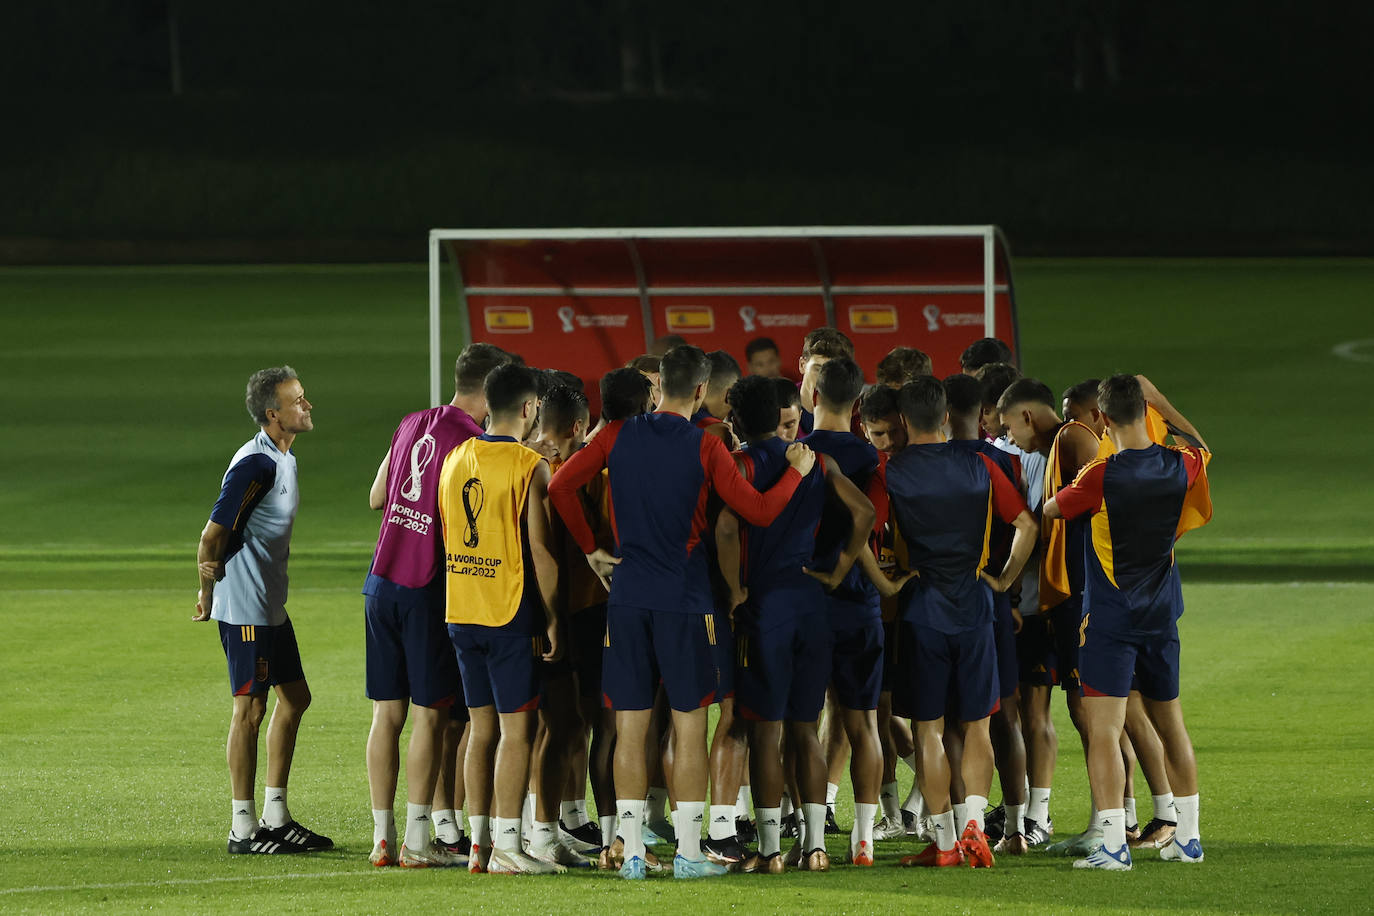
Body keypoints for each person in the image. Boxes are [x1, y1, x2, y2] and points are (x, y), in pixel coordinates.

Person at [548, 344, 816, 880]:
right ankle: (691, 853)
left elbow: (560, 484)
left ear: (657, 388)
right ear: (699, 390)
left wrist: (590, 549)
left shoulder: (615, 434)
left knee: (629, 728)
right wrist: (796, 474)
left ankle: (631, 854)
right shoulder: (705, 447)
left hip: (625, 600)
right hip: (687, 603)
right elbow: (757, 511)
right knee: (690, 727)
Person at [1045, 374, 1211, 870]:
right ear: (1147, 410)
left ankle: (1114, 844)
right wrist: (1164, 400)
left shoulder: (1101, 475)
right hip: (1162, 616)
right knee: (1172, 724)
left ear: (1104, 419)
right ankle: (1190, 837)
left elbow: (1053, 508)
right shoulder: (1181, 465)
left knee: (1104, 731)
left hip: (1111, 620)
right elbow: (1202, 447)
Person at [716, 376, 881, 871]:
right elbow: (866, 511)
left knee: (766, 733)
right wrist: (840, 568)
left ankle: (769, 851)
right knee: (806, 729)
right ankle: (814, 847)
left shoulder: (741, 464)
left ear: (738, 421)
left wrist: (734, 589)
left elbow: (727, 527)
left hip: (764, 609)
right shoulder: (817, 463)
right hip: (813, 605)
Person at [362, 343, 510, 868]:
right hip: (427, 588)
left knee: (386, 715)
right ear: (493, 389)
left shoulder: (411, 422)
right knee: (429, 717)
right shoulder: (474, 444)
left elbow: (378, 496)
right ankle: (418, 841)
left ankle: (382, 837)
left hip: (381, 582)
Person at [886, 376, 1037, 868]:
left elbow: (866, 527)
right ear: (946, 416)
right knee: (977, 725)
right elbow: (1027, 526)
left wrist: (887, 581)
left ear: (905, 422)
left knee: (928, 730)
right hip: (974, 607)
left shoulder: (891, 470)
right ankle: (975, 822)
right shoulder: (980, 466)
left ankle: (947, 843)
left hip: (922, 608)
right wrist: (1003, 579)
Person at [194, 366, 332, 855]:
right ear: (274, 414)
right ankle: (242, 828)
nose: (307, 405)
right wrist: (207, 593)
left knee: (295, 698)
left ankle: (276, 816)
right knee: (250, 710)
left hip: (270, 604)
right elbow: (213, 533)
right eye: (298, 400)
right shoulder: (257, 465)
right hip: (246, 606)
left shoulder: (283, 458)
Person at [438, 364, 565, 876]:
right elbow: (541, 550)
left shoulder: (454, 457)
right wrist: (554, 619)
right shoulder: (528, 464)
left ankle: (479, 845)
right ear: (531, 408)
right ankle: (510, 847)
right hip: (507, 610)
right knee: (519, 731)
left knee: (480, 726)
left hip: (461, 608)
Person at [998, 376, 1102, 855]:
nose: (1008, 436)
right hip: (1040, 606)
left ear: (1025, 415)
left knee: (1089, 708)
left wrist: (1005, 581)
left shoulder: (1070, 444)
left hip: (1068, 599)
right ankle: (1037, 819)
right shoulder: (1028, 457)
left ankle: (1116, 817)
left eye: (1008, 425)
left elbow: (1042, 525)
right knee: (1033, 709)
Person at [798, 357, 887, 866]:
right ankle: (865, 839)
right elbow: (875, 521)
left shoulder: (797, 453)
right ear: (857, 405)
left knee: (804, 725)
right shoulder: (872, 460)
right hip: (859, 604)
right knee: (864, 725)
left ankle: (811, 838)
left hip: (805, 603)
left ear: (812, 399)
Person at [944, 373, 1031, 854]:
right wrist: (1007, 586)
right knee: (1005, 717)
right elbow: (1025, 525)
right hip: (989, 598)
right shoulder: (1001, 461)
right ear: (982, 415)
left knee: (957, 722)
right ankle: (1016, 830)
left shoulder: (923, 462)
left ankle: (963, 826)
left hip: (940, 600)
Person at [796, 328, 855, 435]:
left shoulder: (858, 416)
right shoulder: (776, 408)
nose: (824, 379)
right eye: (818, 369)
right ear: (802, 365)